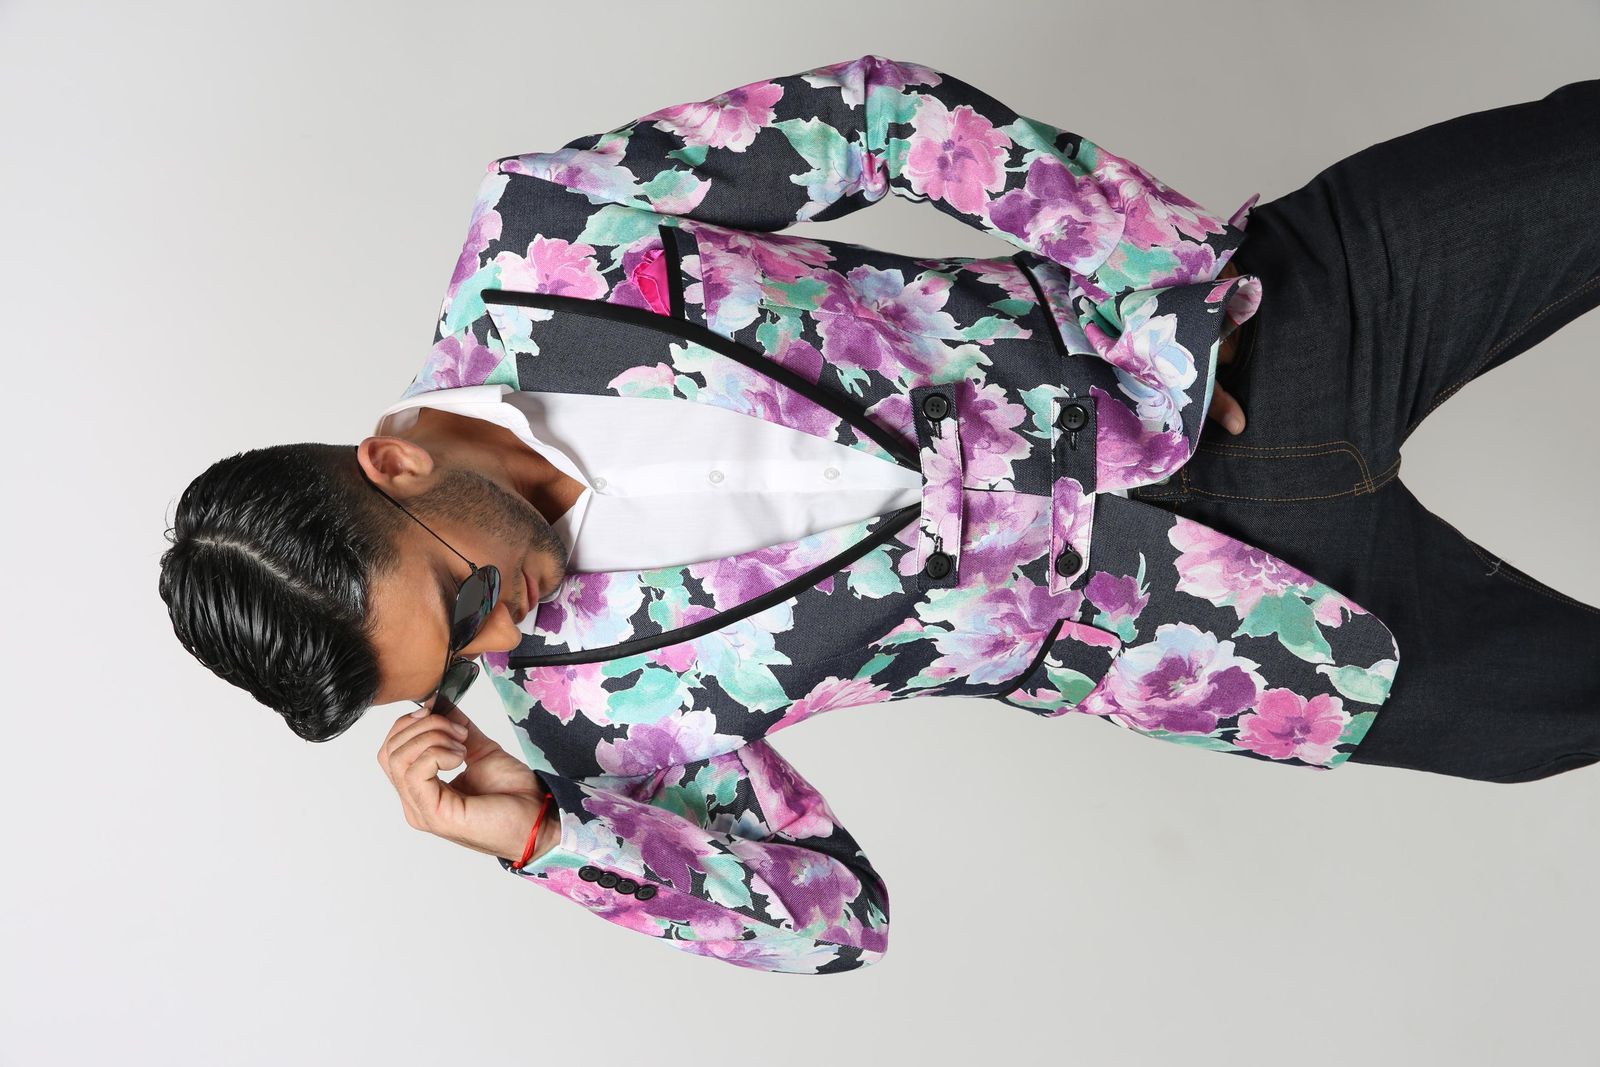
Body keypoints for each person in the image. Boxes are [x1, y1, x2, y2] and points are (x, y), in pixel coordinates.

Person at [159, 55, 1600, 974]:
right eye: (457, 672)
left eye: (461, 603)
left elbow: (879, 122)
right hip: (1255, 636)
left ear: (396, 467)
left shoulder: (547, 241)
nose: (498, 644)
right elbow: (835, 921)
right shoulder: (586, 722)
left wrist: (1152, 285)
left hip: (1259, 330)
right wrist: (546, 833)